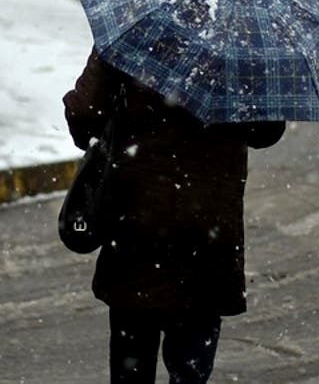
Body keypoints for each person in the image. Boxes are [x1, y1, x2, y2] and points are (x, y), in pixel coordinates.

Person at [63, 50, 286, 383]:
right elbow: (266, 131)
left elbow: (84, 115)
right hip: (207, 234)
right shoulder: (241, 44)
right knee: (190, 367)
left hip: (137, 227)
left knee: (132, 362)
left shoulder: (135, 31)